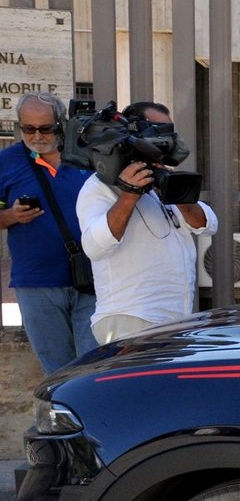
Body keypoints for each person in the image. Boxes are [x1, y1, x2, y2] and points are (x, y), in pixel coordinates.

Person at [76, 101, 218, 344]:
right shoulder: (98, 187)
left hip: (175, 320)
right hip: (129, 321)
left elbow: (207, 224)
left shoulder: (161, 178)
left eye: (169, 131)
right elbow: (94, 246)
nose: (165, 139)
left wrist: (177, 192)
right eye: (157, 130)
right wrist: (129, 193)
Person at [0, 92, 97, 372]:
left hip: (94, 280)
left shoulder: (86, 156)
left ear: (61, 123)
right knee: (58, 371)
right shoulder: (7, 162)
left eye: (46, 128)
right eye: (28, 128)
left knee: (93, 366)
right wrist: (11, 215)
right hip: (37, 284)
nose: (37, 136)